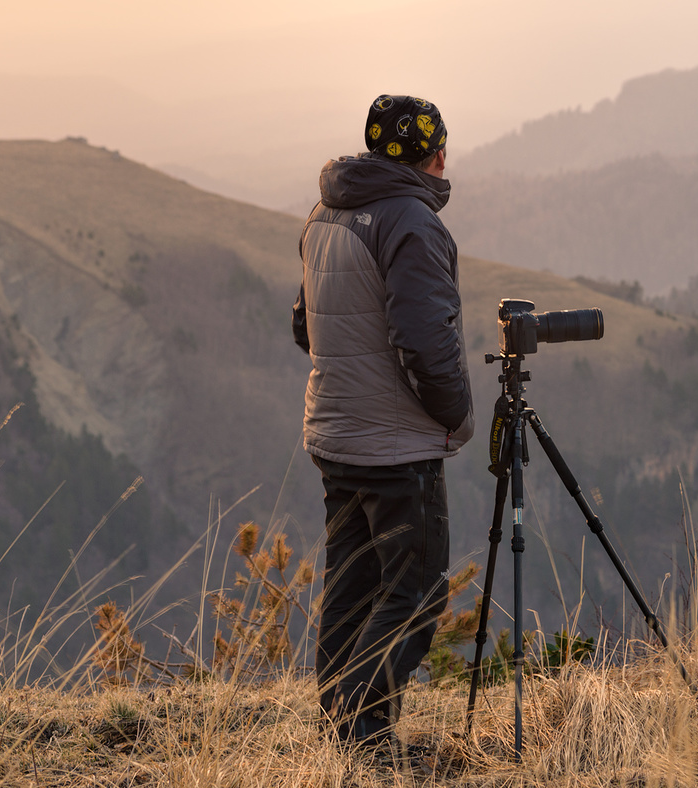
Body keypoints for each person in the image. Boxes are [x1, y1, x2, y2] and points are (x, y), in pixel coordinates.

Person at [291, 94, 474, 747]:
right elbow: (425, 343)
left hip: (335, 435)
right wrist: (455, 414)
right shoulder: (412, 224)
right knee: (416, 592)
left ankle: (339, 731)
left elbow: (302, 325)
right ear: (436, 153)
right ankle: (364, 733)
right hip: (393, 445)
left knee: (351, 585)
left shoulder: (325, 213)